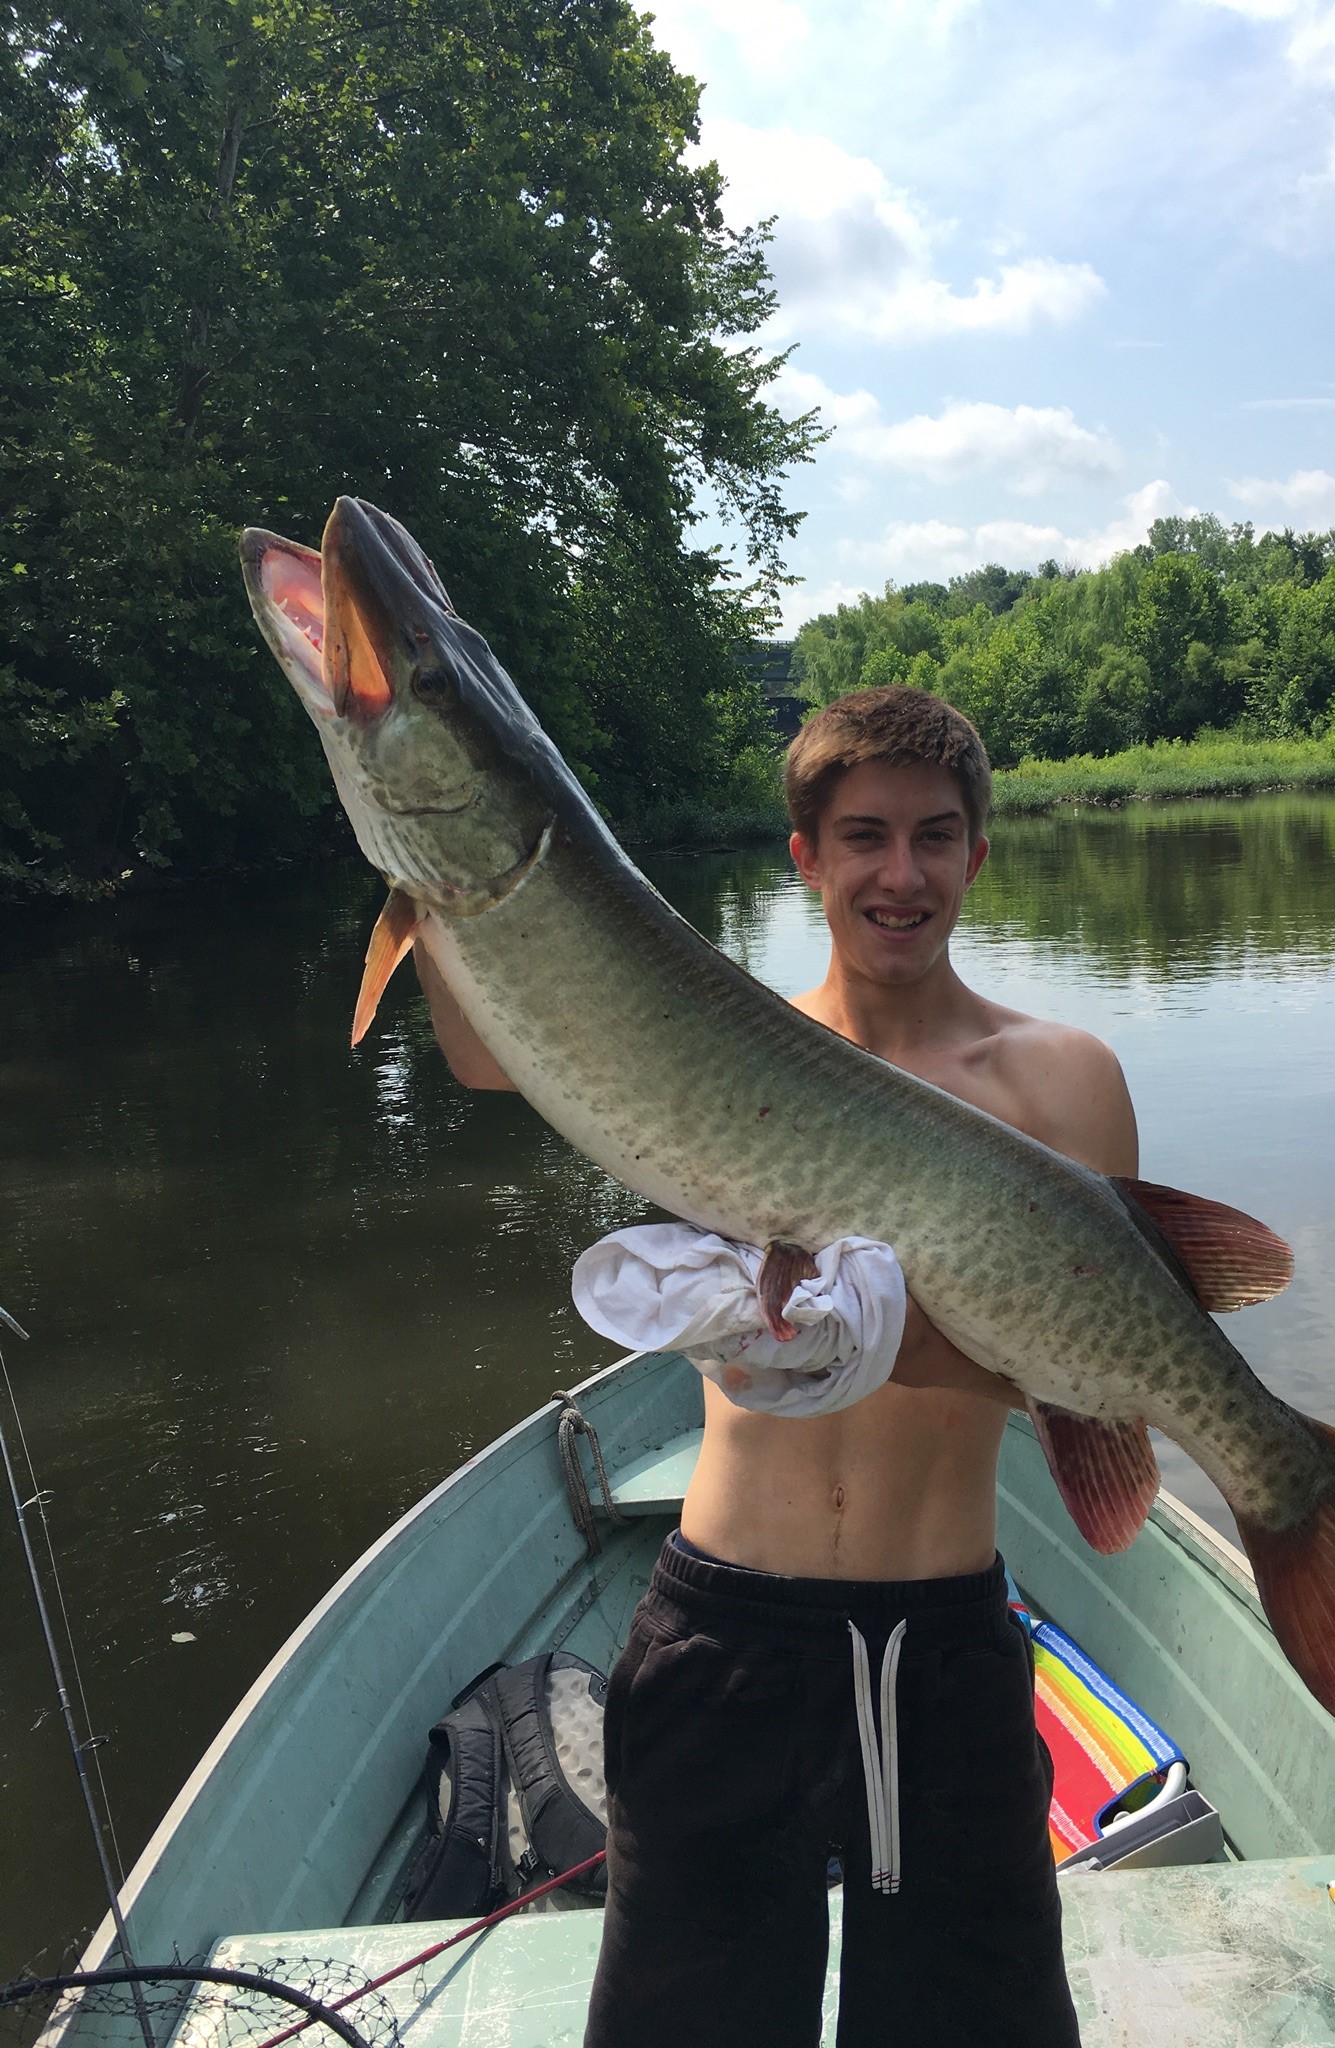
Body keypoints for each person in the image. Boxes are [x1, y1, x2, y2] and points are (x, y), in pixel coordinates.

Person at [416, 686, 1137, 2046]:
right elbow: (478, 1047)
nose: (901, 874)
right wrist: (418, 851)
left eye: (935, 836)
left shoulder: (1065, 1083)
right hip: (724, 1637)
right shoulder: (707, 1036)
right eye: (863, 835)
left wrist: (905, 1346)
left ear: (980, 852)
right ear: (804, 856)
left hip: (946, 1653)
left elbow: (1093, 1376)